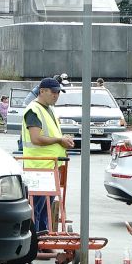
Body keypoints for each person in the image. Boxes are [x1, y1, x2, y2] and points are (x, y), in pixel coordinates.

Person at [20, 77, 75, 237]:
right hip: (38, 168)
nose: (56, 95)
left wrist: (63, 140)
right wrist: (59, 140)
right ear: (42, 91)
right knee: (36, 208)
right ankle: (35, 242)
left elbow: (50, 135)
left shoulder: (48, 110)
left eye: (58, 92)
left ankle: (43, 239)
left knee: (46, 209)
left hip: (50, 166)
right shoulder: (34, 110)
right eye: (53, 92)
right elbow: (36, 138)